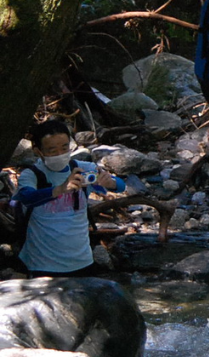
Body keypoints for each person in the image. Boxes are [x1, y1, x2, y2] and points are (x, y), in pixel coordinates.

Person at [14, 119, 126, 278]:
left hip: (82, 261)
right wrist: (60, 189)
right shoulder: (32, 175)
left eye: (64, 147)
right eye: (52, 150)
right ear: (38, 151)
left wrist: (111, 182)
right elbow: (27, 197)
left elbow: (121, 186)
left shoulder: (82, 168)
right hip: (43, 265)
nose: (60, 154)